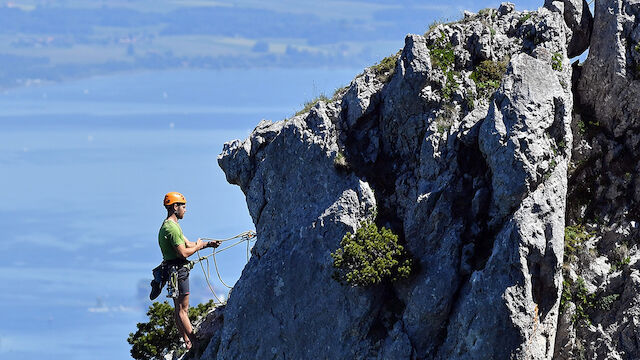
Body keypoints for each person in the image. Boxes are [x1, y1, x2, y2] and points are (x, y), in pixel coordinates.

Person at [157, 191, 220, 350]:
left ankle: (187, 342)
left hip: (172, 270)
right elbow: (184, 253)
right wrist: (199, 246)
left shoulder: (170, 226)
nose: (185, 210)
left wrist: (206, 245)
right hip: (179, 271)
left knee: (178, 309)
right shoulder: (172, 229)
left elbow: (188, 244)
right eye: (183, 207)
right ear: (175, 206)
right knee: (183, 310)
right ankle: (195, 343)